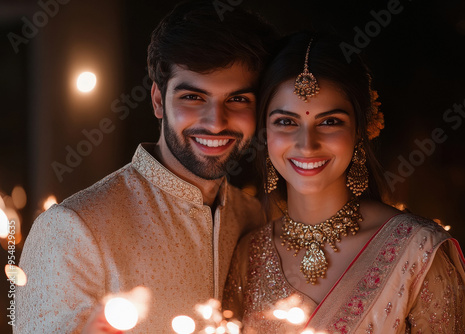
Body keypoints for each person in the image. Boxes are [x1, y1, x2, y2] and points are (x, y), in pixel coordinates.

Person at [15, 1, 276, 332]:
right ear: (157, 100)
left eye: (238, 99)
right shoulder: (72, 229)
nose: (215, 122)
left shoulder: (252, 216)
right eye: (193, 98)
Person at [223, 32, 465, 333]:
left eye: (330, 122)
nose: (307, 145)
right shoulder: (250, 254)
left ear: (360, 131)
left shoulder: (417, 251)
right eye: (286, 122)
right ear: (265, 133)